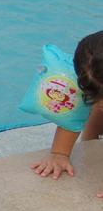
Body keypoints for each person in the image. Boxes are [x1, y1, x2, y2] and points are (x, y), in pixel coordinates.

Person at [31, 31, 103, 198]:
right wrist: (59, 154)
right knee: (91, 104)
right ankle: (91, 141)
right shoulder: (92, 75)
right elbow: (76, 111)